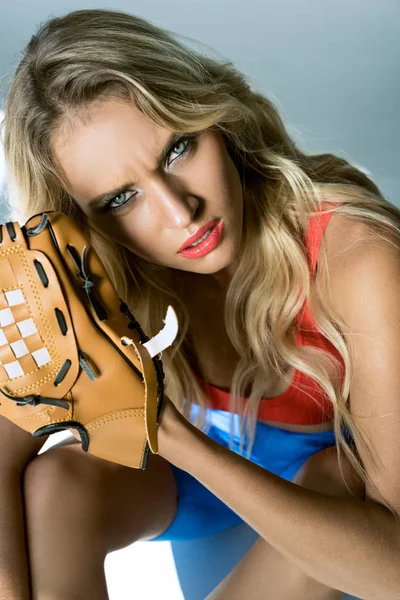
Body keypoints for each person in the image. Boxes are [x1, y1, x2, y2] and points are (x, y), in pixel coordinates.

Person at [0, 8, 399, 600]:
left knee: (335, 475)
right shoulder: (93, 270)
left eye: (178, 148)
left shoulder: (360, 255)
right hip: (193, 493)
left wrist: (168, 432)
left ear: (216, 117)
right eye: (122, 198)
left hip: (331, 510)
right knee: (56, 482)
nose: (178, 211)